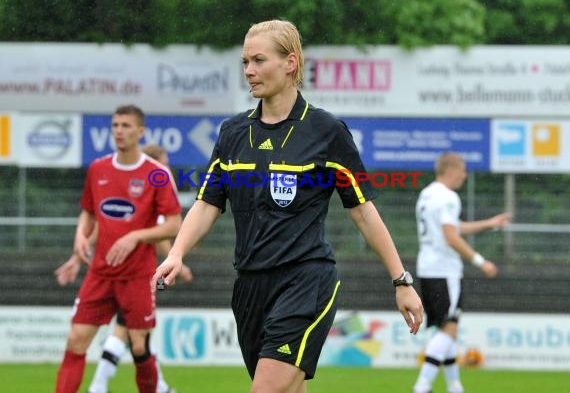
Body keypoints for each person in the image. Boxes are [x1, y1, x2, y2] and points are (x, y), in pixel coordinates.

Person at [151, 19, 423, 393]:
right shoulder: (233, 133)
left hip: (305, 280)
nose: (249, 71)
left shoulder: (326, 132)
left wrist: (401, 281)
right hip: (249, 287)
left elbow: (362, 210)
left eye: (259, 60)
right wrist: (178, 252)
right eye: (245, 62)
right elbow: (207, 203)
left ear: (290, 63)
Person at [55, 106, 182, 393]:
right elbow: (89, 212)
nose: (119, 131)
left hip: (138, 276)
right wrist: (80, 235)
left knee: (139, 348)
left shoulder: (157, 175)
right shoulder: (98, 168)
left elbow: (174, 225)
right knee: (76, 340)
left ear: (140, 131)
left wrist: (135, 235)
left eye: (126, 125)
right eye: (115, 125)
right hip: (100, 274)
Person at [412, 152, 511, 393]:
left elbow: (452, 228)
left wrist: (488, 223)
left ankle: (455, 386)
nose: (465, 176)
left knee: (446, 328)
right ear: (452, 170)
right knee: (449, 329)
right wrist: (480, 261)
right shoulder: (448, 197)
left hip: (427, 267)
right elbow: (451, 236)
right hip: (445, 271)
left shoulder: (426, 194)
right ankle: (422, 385)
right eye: (463, 170)